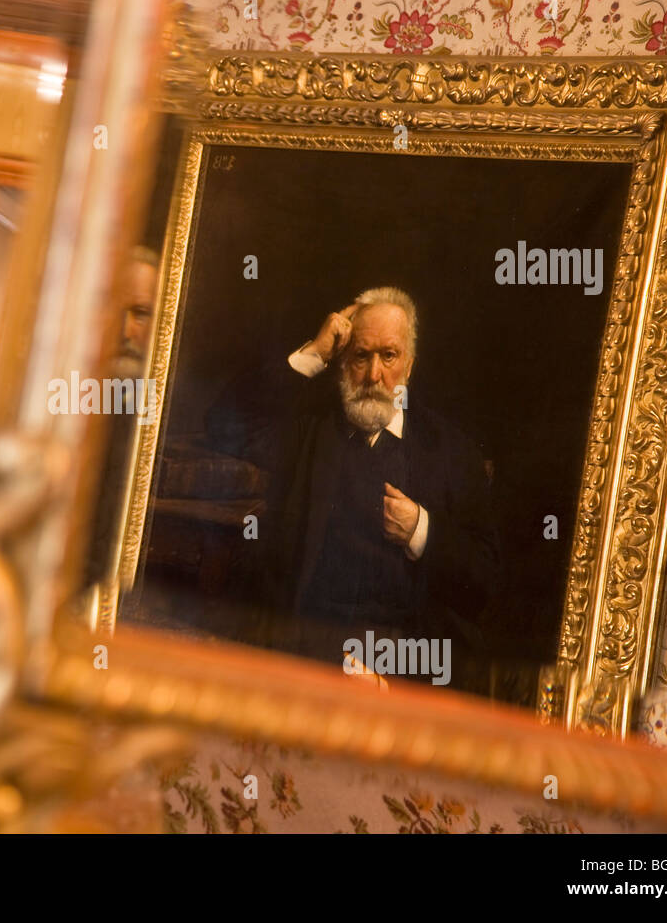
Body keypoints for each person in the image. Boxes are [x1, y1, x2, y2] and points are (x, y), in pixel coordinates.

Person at [206, 287, 500, 674]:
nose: (374, 375)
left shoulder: (450, 450)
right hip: (306, 647)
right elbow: (224, 426)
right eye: (361, 356)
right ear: (343, 361)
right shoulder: (309, 431)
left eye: (389, 356)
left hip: (405, 659)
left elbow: (485, 580)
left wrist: (420, 530)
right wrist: (315, 352)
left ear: (409, 365)